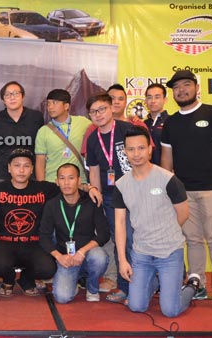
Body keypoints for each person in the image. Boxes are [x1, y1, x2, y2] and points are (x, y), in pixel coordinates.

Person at [161, 70, 212, 311]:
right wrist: (171, 193)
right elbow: (166, 161)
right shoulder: (171, 122)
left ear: (196, 87)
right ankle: (198, 284)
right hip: (184, 193)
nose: (181, 90)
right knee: (192, 240)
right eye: (177, 87)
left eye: (186, 85)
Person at [115, 126, 200, 317]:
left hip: (169, 253)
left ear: (150, 149)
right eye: (131, 149)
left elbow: (183, 214)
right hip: (141, 255)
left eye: (141, 148)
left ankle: (192, 286)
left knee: (170, 310)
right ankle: (153, 282)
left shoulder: (168, 180)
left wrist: (164, 233)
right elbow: (120, 223)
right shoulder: (121, 185)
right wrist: (122, 260)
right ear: (125, 152)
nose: (136, 154)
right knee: (136, 306)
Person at [0, 148, 58, 297]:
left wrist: (89, 187)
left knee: (48, 268)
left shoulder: (44, 189)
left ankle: (26, 279)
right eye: (16, 165)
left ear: (32, 169)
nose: (21, 170)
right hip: (5, 243)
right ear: (9, 168)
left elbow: (69, 190)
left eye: (26, 166)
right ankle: (8, 280)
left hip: (34, 243)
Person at [85, 93, 133, 304]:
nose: (99, 114)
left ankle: (159, 281)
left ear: (111, 108)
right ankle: (125, 287)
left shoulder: (126, 130)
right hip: (112, 197)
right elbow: (94, 169)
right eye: (94, 111)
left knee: (142, 238)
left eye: (102, 109)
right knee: (121, 241)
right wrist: (96, 191)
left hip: (136, 192)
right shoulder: (93, 138)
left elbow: (143, 158)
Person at [40, 163, 110, 303]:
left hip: (87, 253)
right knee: (62, 298)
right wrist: (59, 257)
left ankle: (92, 287)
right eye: (62, 178)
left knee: (99, 257)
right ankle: (75, 281)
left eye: (71, 178)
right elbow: (44, 236)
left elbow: (104, 233)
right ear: (57, 182)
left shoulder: (91, 201)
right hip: (66, 258)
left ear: (79, 181)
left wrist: (82, 251)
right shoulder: (52, 204)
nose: (66, 183)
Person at [0, 81, 43, 182]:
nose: (12, 98)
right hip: (3, 175)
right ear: (3, 100)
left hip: (30, 174)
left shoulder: (36, 117)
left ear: (23, 96)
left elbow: (42, 150)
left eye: (16, 94)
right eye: (7, 95)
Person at [35, 89, 92, 183]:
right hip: (53, 183)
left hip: (79, 183)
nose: (50, 107)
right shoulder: (43, 131)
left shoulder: (83, 123)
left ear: (66, 106)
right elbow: (40, 163)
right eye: (48, 104)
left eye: (54, 103)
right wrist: (43, 187)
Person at [143, 83, 169, 165]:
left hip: (166, 173)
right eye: (149, 97)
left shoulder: (172, 122)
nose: (153, 101)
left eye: (157, 97)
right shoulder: (142, 124)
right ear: (146, 101)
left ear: (165, 100)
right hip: (145, 173)